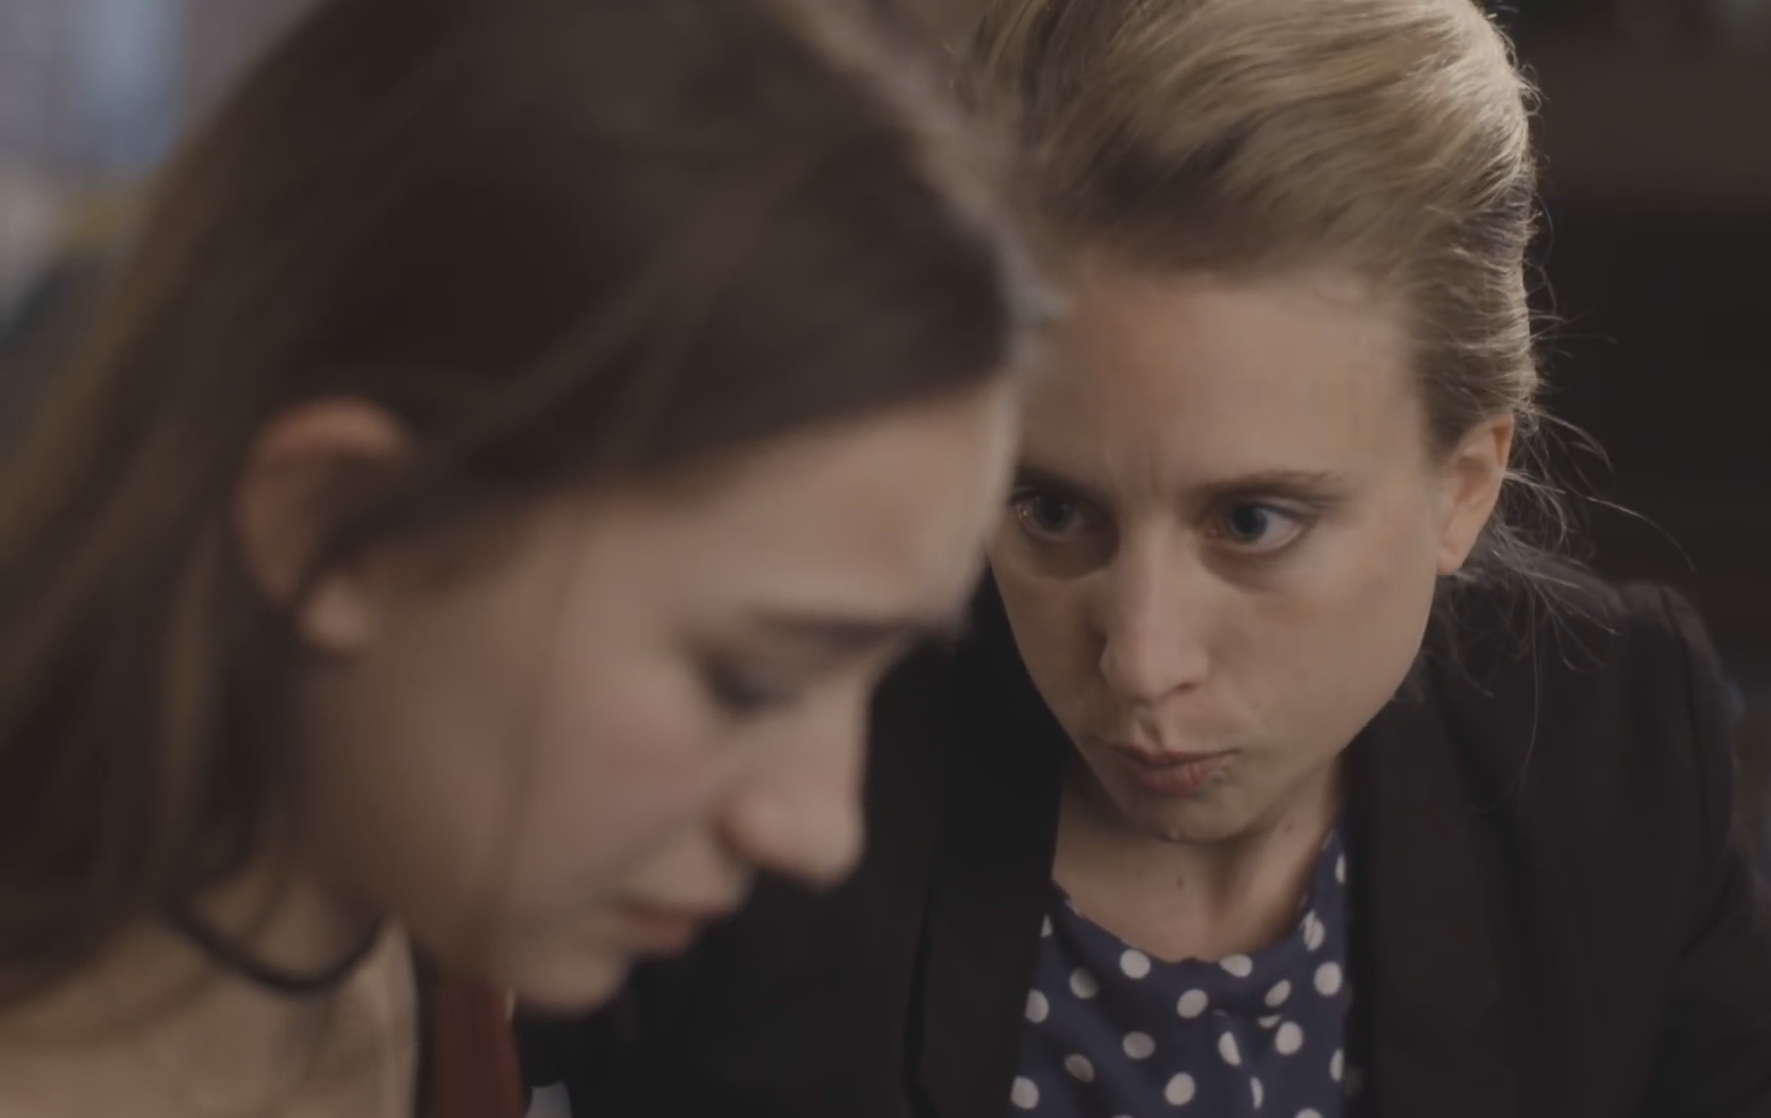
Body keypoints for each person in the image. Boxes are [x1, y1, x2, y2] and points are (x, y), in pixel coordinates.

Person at [526, 0, 1771, 1115]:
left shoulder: (1619, 756)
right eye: (1051, 509)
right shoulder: (774, 766)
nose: (1138, 658)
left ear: (1463, 488)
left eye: (1252, 522)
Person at [0, 0, 1043, 1113]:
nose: (822, 834)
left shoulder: (405, 908)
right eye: (748, 678)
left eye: (873, 675)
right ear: (337, 525)